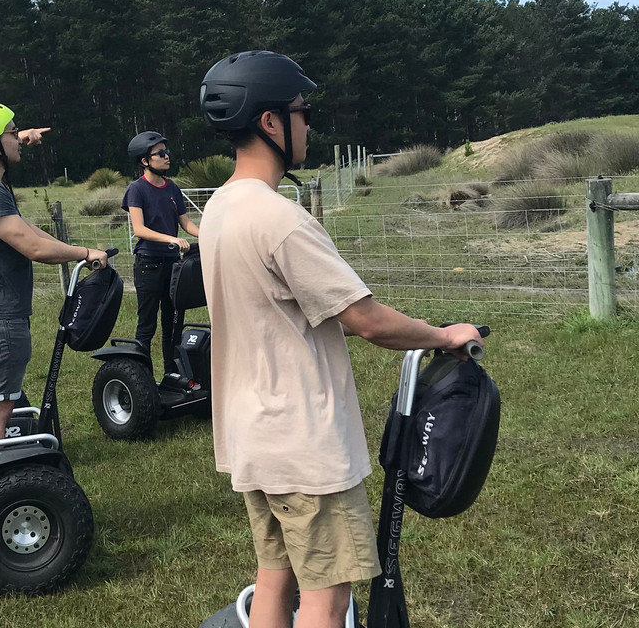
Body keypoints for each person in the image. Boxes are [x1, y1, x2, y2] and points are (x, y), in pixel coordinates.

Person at [197, 50, 483, 628]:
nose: (309, 124)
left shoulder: (220, 208)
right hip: (303, 444)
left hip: (252, 434)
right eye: (302, 112)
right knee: (328, 601)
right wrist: (442, 335)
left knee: (274, 579)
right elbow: (367, 320)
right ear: (270, 122)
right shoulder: (281, 220)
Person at [0, 102, 107, 457]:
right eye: (11, 132)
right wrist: (84, 253)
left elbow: (26, 230)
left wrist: (70, 246)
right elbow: (32, 246)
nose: (17, 138)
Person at [122, 131, 200, 379]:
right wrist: (172, 240)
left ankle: (172, 375)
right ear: (145, 161)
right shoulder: (137, 189)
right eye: (161, 154)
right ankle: (142, 379)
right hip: (148, 265)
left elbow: (186, 223)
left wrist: (210, 234)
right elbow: (139, 229)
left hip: (173, 266)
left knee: (173, 322)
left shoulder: (172, 188)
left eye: (167, 152)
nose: (167, 157)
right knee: (147, 324)